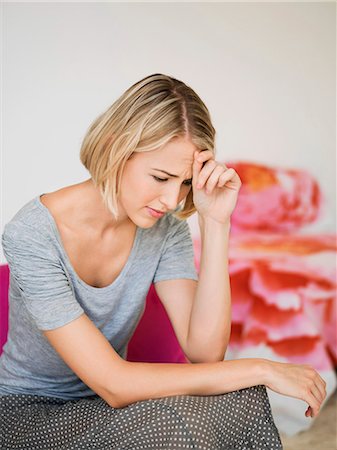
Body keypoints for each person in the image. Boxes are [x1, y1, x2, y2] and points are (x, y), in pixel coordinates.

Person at [0, 73, 326, 450]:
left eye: (186, 183)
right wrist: (260, 368)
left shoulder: (164, 229)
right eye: (161, 177)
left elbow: (204, 354)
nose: (172, 200)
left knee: (241, 398)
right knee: (200, 408)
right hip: (30, 413)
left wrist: (216, 222)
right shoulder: (31, 234)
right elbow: (115, 384)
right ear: (114, 148)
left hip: (106, 410)